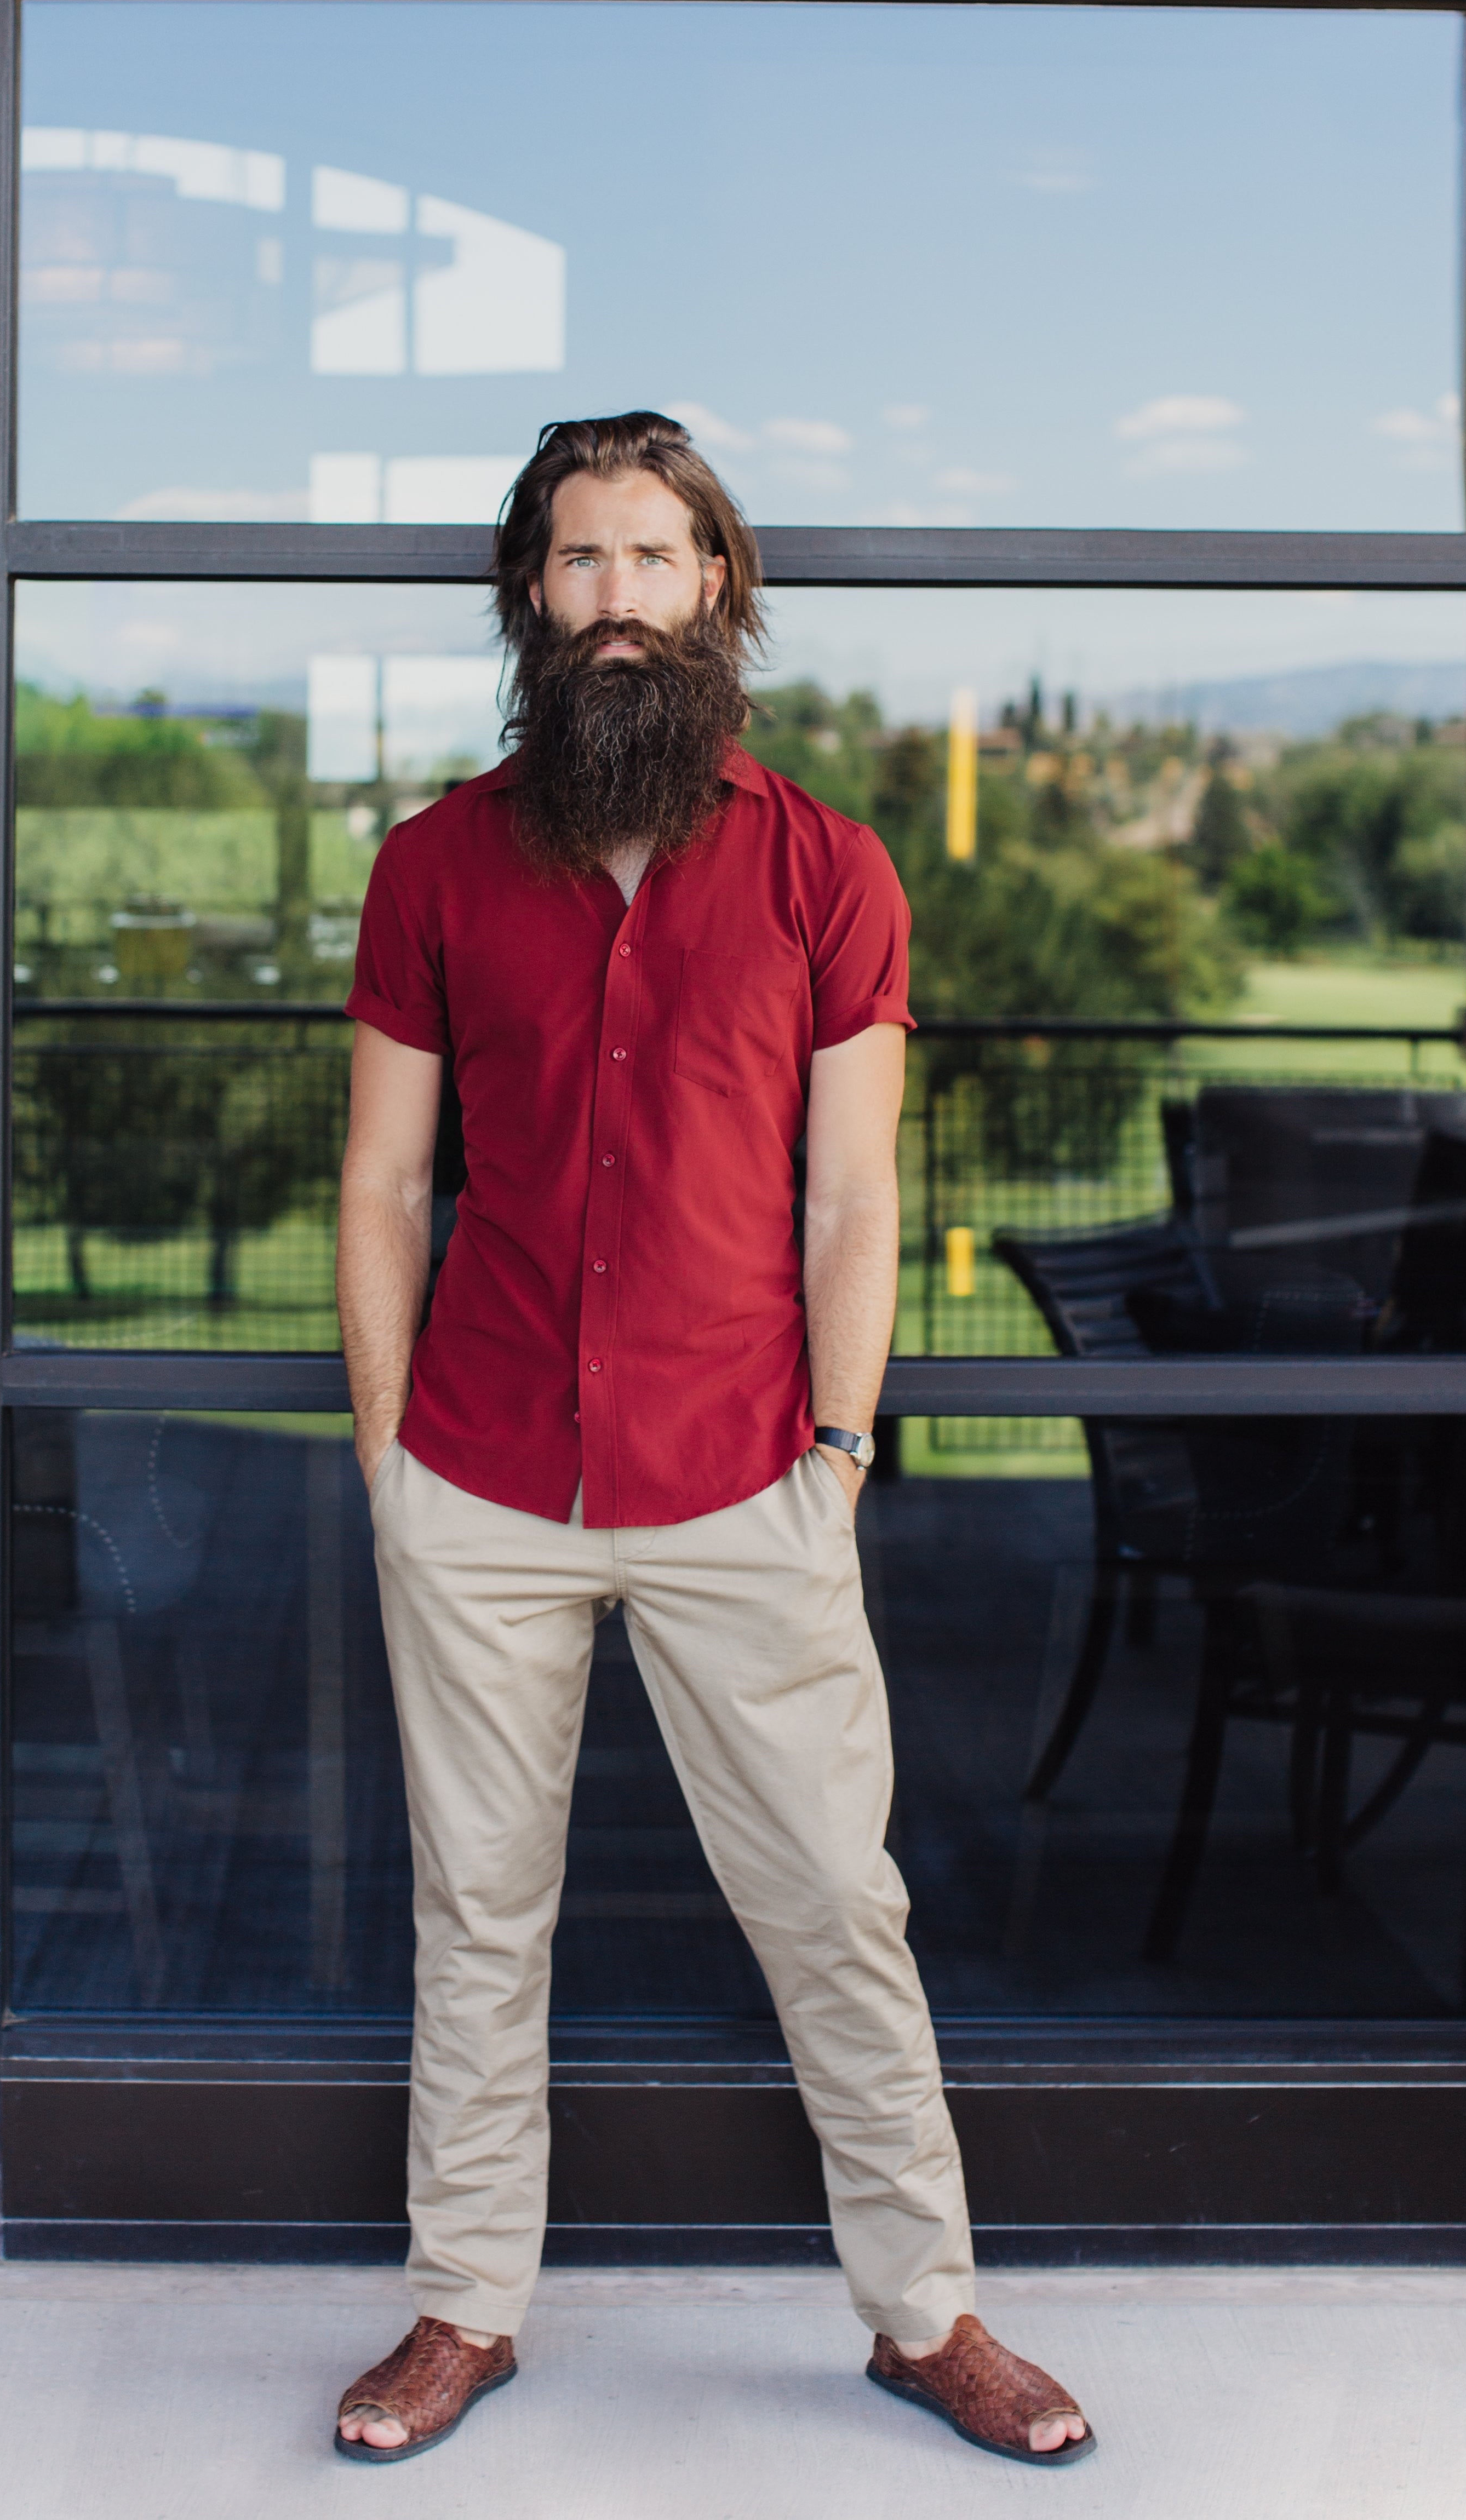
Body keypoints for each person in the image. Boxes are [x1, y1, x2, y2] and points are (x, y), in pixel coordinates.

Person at [331, 413, 1093, 2471]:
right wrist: (394, 1461)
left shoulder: (829, 867)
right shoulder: (431, 867)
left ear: (715, 593)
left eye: (654, 561)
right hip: (482, 1474)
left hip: (744, 1473)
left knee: (835, 1909)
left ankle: (928, 2317)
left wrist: (838, 1447)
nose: (616, 602)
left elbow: (853, 1206)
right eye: (578, 564)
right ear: (532, 601)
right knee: (479, 1915)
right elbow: (386, 1189)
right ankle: (465, 2310)